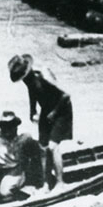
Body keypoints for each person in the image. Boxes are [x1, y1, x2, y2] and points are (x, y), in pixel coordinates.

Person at [8, 54, 73, 189]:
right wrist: (32, 111)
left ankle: (60, 182)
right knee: (42, 148)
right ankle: (46, 182)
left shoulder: (43, 75)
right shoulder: (28, 80)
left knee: (52, 146)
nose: (23, 80)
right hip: (46, 110)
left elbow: (66, 95)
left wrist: (54, 113)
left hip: (61, 110)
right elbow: (32, 93)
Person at [0, 111, 44, 202]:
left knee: (4, 193)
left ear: (15, 126)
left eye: (10, 125)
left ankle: (30, 189)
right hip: (1, 169)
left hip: (17, 169)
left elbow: (40, 151)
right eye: (3, 125)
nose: (7, 128)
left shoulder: (24, 137)